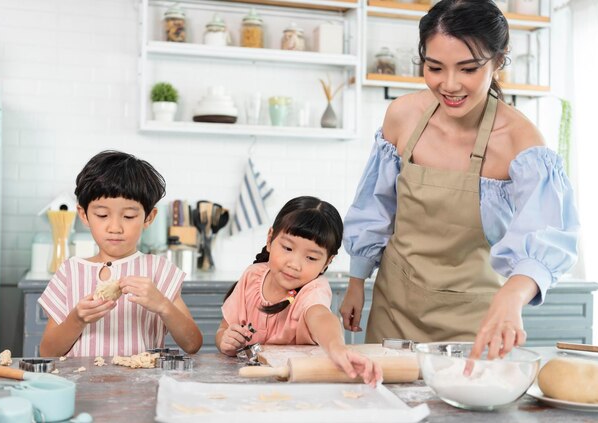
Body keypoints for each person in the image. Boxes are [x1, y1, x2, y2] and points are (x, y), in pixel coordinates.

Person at [340, 0, 579, 361]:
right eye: (434, 67)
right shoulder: (403, 115)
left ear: (498, 61)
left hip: (475, 323)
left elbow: (549, 235)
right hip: (394, 313)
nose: (449, 85)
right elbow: (375, 205)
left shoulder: (521, 141)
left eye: (467, 69)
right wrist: (356, 280)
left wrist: (512, 297)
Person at [38, 151, 203, 357]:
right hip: (84, 387)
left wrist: (163, 305)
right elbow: (47, 352)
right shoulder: (70, 271)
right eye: (102, 215)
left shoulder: (158, 270)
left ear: (149, 217)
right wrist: (77, 320)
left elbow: (193, 344)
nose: (115, 227)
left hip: (142, 386)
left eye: (128, 216)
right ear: (84, 215)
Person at [217, 196, 382, 387]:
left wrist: (336, 347)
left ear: (327, 262)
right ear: (270, 239)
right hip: (251, 383)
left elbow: (320, 316)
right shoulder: (252, 276)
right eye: (287, 248)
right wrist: (226, 341)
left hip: (299, 386)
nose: (294, 265)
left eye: (311, 257)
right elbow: (223, 329)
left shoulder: (313, 289)